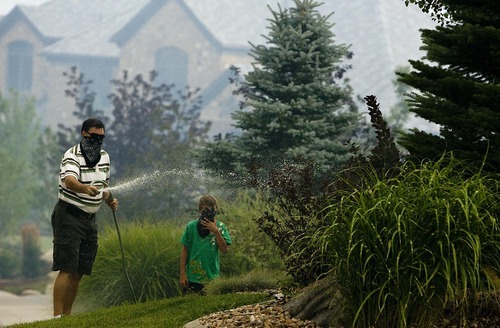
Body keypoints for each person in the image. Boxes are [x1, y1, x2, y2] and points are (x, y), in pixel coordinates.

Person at [51, 118, 118, 317]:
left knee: (79, 270)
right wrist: (84, 188)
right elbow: (69, 181)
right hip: (69, 215)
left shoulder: (105, 157)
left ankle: (68, 316)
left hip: (90, 219)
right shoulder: (72, 155)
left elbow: (105, 187)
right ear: (84, 134)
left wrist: (110, 200)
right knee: (67, 268)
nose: (98, 141)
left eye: (102, 137)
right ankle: (57, 317)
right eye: (94, 136)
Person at [180, 195, 231, 294]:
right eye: (205, 209)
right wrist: (182, 274)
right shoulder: (191, 227)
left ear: (216, 209)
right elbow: (184, 250)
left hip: (212, 277)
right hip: (192, 277)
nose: (208, 212)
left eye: (211, 209)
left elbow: (224, 250)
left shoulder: (221, 227)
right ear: (200, 211)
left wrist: (216, 232)